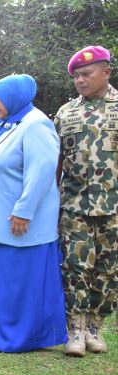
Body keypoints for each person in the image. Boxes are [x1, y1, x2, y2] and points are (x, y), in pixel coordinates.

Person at [0, 73, 67, 353]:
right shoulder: (8, 126)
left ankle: (20, 336)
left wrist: (24, 211)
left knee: (18, 282)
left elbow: (41, 173)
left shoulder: (36, 124)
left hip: (19, 222)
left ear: (16, 96)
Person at [55, 46, 117, 356]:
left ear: (106, 73)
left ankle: (95, 328)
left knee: (107, 269)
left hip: (114, 207)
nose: (80, 80)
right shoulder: (66, 112)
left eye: (86, 74)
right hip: (74, 205)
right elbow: (55, 162)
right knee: (75, 267)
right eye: (76, 76)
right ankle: (75, 331)